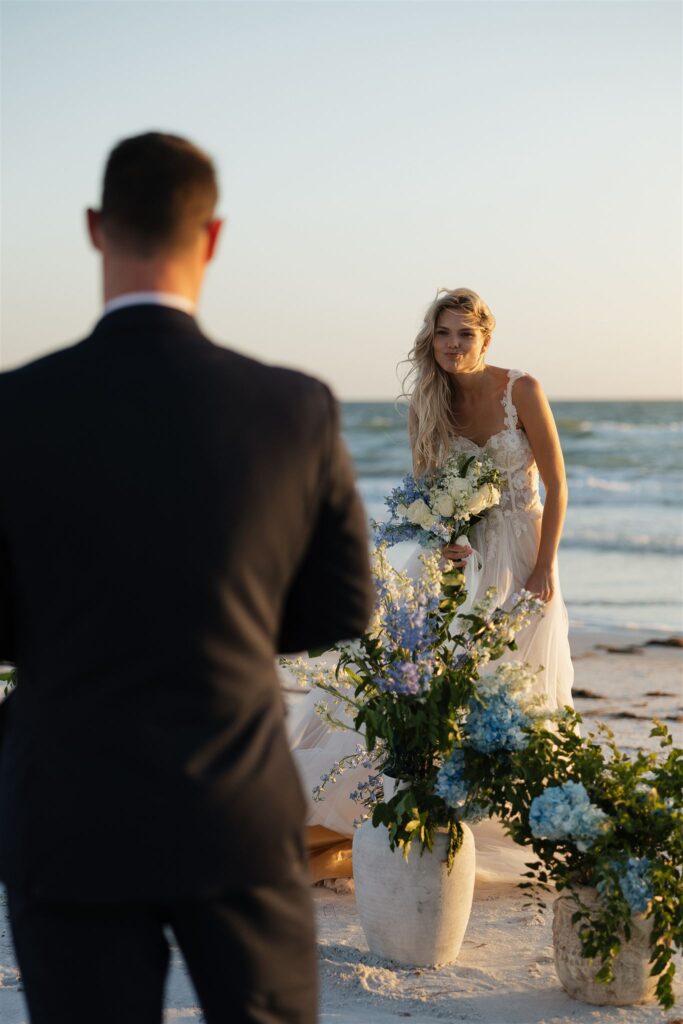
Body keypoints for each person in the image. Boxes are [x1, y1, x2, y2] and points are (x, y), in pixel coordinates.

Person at [0, 131, 374, 1024]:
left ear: (95, 228)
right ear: (211, 237)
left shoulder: (12, 409)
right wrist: (225, 625)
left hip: (67, 802)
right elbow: (342, 605)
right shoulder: (293, 408)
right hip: (235, 808)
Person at [287, 286, 573, 885]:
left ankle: (512, 818)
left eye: (464, 334)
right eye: (442, 334)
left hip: (520, 551)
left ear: (485, 337)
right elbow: (424, 491)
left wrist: (545, 566)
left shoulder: (522, 388)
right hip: (460, 558)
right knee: (435, 677)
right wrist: (438, 538)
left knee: (514, 682)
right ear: (431, 339)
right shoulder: (429, 400)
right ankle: (413, 814)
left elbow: (557, 484)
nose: (452, 345)